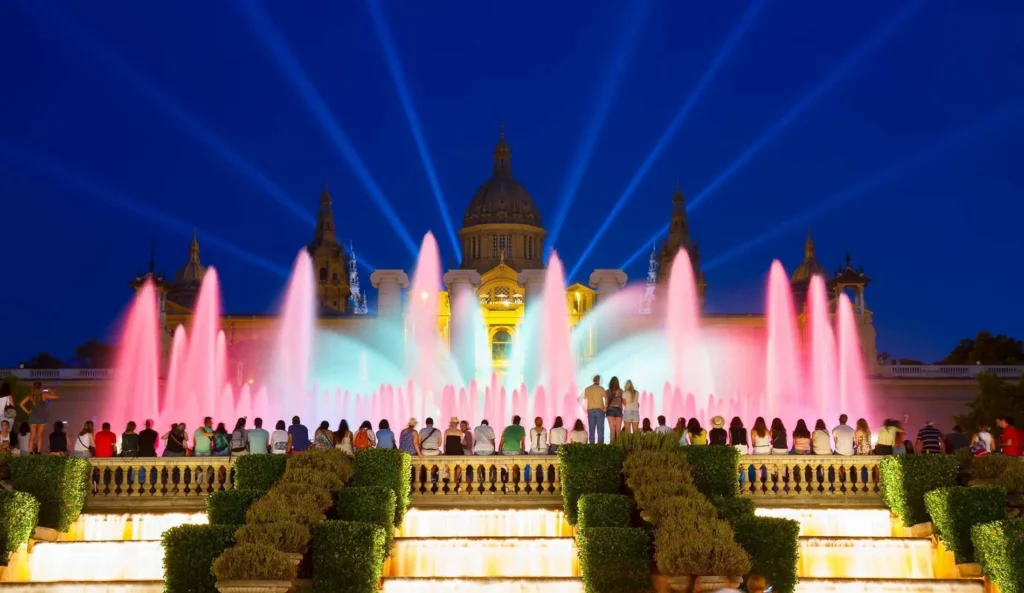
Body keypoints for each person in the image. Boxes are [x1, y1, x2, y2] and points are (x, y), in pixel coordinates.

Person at [20, 382, 57, 454]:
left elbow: (21, 404)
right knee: (40, 435)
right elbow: (56, 396)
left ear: (33, 387)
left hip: (33, 417)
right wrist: (51, 390)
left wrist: (27, 412)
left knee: (32, 435)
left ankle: (30, 452)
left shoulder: (30, 396)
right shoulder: (44, 395)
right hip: (41, 417)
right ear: (41, 387)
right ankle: (39, 452)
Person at [581, 375, 607, 443]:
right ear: (599, 380)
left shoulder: (587, 389)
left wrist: (584, 408)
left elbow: (579, 399)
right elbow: (606, 398)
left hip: (591, 410)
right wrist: (605, 407)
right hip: (600, 410)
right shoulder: (601, 388)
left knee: (591, 430)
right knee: (600, 430)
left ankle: (592, 447)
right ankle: (600, 448)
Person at [605, 376, 624, 442]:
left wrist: (605, 409)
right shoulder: (621, 391)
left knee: (612, 429)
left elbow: (606, 402)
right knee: (618, 429)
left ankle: (612, 446)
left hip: (610, 410)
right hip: (618, 410)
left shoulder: (607, 391)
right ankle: (618, 445)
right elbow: (623, 401)